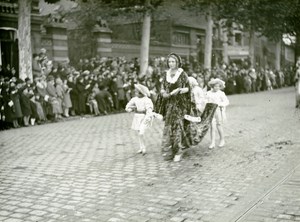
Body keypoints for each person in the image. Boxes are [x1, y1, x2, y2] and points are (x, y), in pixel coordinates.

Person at [154, 53, 192, 162]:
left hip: (180, 104)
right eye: (169, 62)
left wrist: (179, 90)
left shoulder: (182, 74)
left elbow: (188, 88)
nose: (171, 64)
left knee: (178, 126)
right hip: (169, 104)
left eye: (173, 62)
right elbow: (162, 87)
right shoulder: (166, 74)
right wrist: (162, 93)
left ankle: (178, 151)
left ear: (177, 62)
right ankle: (169, 150)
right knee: (169, 127)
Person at [125, 83, 154, 155]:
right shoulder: (134, 99)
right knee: (139, 132)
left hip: (145, 117)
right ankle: (141, 147)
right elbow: (127, 106)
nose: (135, 93)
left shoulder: (147, 100)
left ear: (141, 92)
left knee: (141, 132)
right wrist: (130, 109)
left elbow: (149, 108)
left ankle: (143, 148)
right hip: (137, 117)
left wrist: (149, 112)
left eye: (136, 92)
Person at [206, 78, 229, 149]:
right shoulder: (208, 93)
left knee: (219, 125)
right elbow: (205, 100)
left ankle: (222, 140)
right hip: (211, 110)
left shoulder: (221, 93)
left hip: (218, 110)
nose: (217, 87)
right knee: (212, 126)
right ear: (212, 86)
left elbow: (226, 102)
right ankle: (212, 142)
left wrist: (219, 104)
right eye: (215, 86)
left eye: (218, 86)